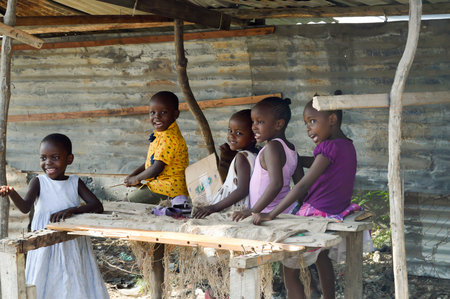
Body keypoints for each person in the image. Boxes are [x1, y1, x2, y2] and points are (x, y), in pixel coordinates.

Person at [253, 99, 373, 299]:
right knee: (322, 259)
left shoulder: (328, 148)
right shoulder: (347, 146)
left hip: (317, 212)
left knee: (289, 270)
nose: (308, 129)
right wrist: (295, 159)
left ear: (332, 119)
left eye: (312, 121)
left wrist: (271, 214)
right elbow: (317, 163)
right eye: (306, 123)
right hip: (337, 211)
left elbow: (302, 186)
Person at [0, 133, 109, 299]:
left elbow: (97, 206)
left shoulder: (74, 182)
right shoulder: (38, 182)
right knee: (44, 278)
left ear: (69, 159)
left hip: (71, 242)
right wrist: (12, 193)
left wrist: (72, 210)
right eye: (43, 158)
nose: (48, 162)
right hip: (45, 244)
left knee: (73, 275)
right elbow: (24, 208)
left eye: (55, 157)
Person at [232, 97, 304, 222]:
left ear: (279, 124)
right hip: (288, 211)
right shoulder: (292, 149)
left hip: (269, 213)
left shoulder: (272, 147)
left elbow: (276, 184)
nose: (254, 127)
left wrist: (253, 210)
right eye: (253, 121)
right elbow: (300, 184)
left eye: (260, 122)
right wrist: (303, 209)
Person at [123, 91, 189, 208]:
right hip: (165, 186)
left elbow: (157, 168)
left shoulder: (169, 137)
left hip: (167, 188)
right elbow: (151, 161)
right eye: (152, 112)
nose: (156, 117)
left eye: (163, 112)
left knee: (126, 203)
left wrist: (137, 178)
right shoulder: (162, 134)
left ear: (175, 114)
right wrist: (132, 176)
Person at [193, 109, 259, 218]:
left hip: (234, 208)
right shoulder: (258, 152)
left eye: (239, 133)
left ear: (253, 137)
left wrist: (213, 208)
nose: (231, 136)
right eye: (230, 130)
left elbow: (242, 190)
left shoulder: (242, 157)